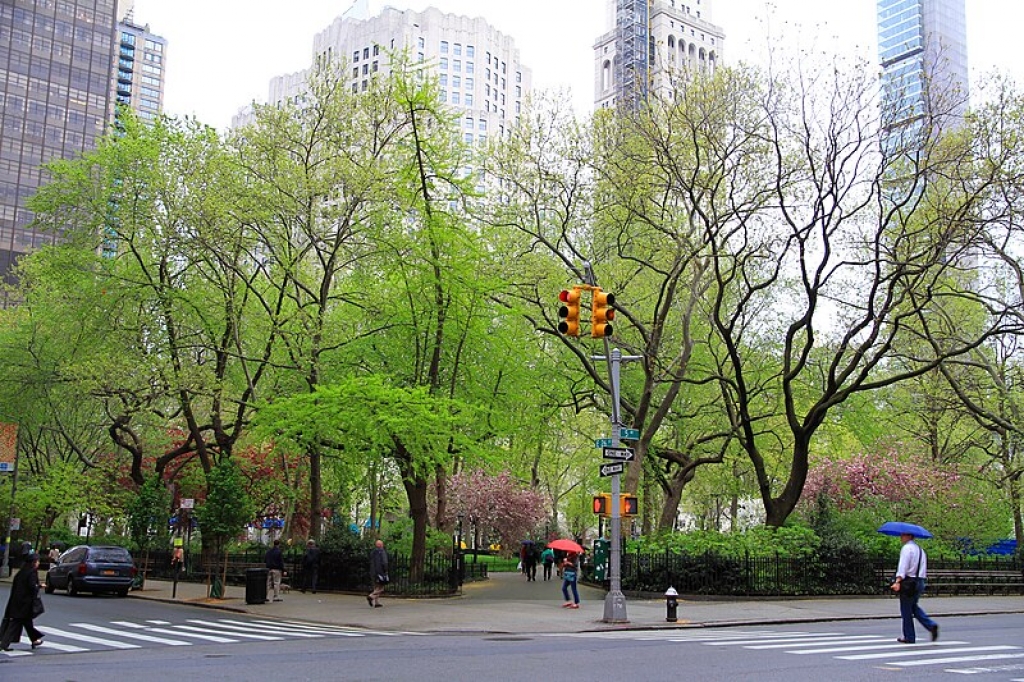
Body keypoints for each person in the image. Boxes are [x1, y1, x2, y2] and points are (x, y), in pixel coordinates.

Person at [891, 531, 938, 643]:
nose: (901, 537)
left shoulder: (907, 549)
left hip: (908, 582)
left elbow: (903, 566)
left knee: (906, 610)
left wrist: (898, 580)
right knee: (913, 607)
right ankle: (931, 626)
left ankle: (909, 636)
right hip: (919, 581)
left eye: (903, 535)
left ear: (909, 536)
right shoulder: (920, 550)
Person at [1, 552, 44, 651]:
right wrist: (40, 586)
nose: (38, 563)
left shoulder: (21, 572)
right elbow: (32, 586)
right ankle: (4, 644)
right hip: (25, 604)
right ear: (33, 562)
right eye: (37, 561)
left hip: (17, 602)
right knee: (16, 623)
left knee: (27, 622)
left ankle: (34, 640)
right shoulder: (32, 572)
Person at [367, 539, 388, 608]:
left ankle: (376, 603)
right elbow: (384, 562)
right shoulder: (382, 552)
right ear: (381, 545)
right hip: (380, 572)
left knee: (376, 587)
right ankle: (371, 596)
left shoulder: (373, 552)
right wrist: (385, 571)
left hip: (373, 572)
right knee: (381, 588)